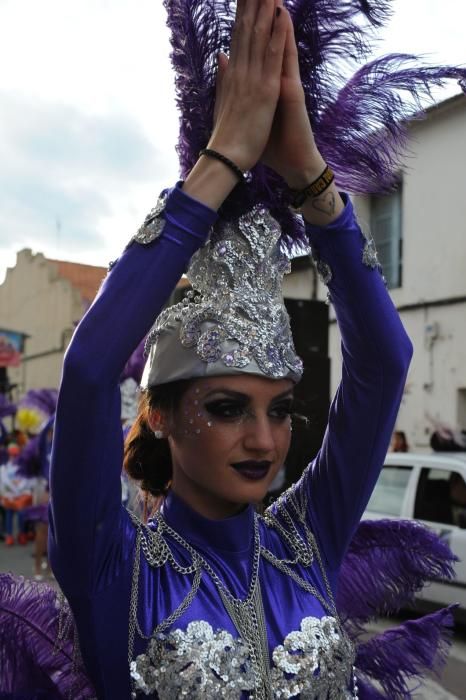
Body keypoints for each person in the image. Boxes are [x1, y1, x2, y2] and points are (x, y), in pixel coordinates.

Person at [0, 1, 457, 698]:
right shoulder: (116, 569)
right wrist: (223, 160)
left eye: (280, 411)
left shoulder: (306, 540)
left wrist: (312, 180)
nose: (265, 439)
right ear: (160, 415)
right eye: (227, 407)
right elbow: (91, 370)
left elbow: (386, 362)